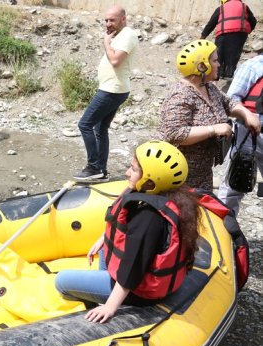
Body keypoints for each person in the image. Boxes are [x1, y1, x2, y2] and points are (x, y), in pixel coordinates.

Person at [55, 141, 200, 323]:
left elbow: (133, 268)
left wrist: (110, 306)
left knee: (61, 281)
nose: (127, 173)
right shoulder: (169, 197)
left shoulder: (148, 218)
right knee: (104, 249)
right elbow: (120, 228)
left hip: (140, 291)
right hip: (136, 274)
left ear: (150, 179)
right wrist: (104, 239)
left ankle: (97, 304)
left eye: (133, 169)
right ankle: (103, 286)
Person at [157, 40, 260, 191]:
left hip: (203, 171)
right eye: (215, 61)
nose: (219, 64)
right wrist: (213, 129)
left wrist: (246, 114)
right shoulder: (180, 95)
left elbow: (228, 103)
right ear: (202, 66)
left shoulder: (209, 87)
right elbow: (174, 133)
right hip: (178, 174)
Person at [73, 6, 138, 182]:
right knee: (100, 128)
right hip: (112, 88)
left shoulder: (128, 35)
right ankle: (101, 171)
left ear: (123, 19)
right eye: (106, 20)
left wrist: (106, 42)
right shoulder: (119, 35)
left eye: (112, 20)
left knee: (85, 124)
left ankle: (94, 167)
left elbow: (116, 61)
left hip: (112, 90)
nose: (108, 23)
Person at [219, 54, 263, 213]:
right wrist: (247, 115)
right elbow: (230, 100)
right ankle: (223, 224)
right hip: (249, 132)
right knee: (234, 184)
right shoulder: (254, 66)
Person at [200, 0, 257, 79]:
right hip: (240, 33)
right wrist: (248, 30)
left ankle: (217, 75)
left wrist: (203, 36)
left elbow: (211, 23)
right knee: (233, 54)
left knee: (219, 54)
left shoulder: (221, 8)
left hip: (223, 32)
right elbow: (253, 21)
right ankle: (229, 75)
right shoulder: (244, 6)